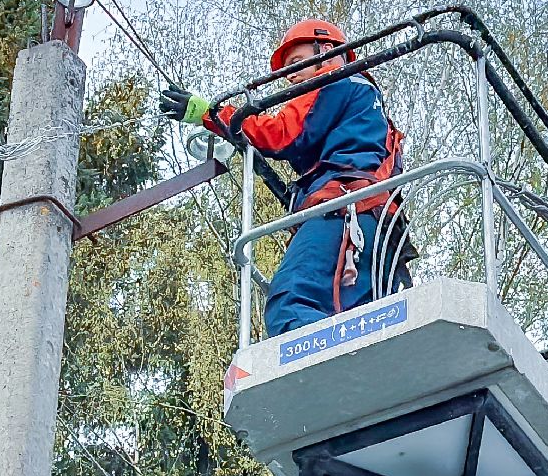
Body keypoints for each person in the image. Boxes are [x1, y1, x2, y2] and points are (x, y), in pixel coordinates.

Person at [159, 18, 413, 337]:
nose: (290, 75)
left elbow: (281, 134)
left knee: (290, 304)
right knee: (359, 322)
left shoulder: (337, 81)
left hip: (344, 212)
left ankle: (321, 379)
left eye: (296, 62)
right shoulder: (365, 108)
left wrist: (210, 114)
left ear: (330, 52)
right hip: (376, 228)